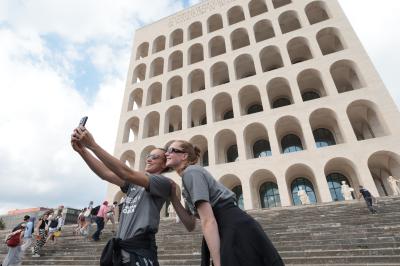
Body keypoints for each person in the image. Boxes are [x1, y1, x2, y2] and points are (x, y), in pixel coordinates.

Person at [166, 140, 284, 266]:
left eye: (172, 150)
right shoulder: (188, 176)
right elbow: (190, 224)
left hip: (232, 226)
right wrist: (173, 197)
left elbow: (208, 220)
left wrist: (218, 262)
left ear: (184, 156)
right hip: (228, 226)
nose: (167, 153)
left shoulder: (191, 172)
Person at [71, 126, 172, 266]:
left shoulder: (162, 182)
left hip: (139, 252)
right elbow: (105, 174)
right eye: (149, 155)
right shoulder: (134, 184)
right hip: (122, 251)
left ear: (165, 164)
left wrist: (93, 145)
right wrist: (82, 151)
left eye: (155, 157)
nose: (149, 159)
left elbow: (126, 173)